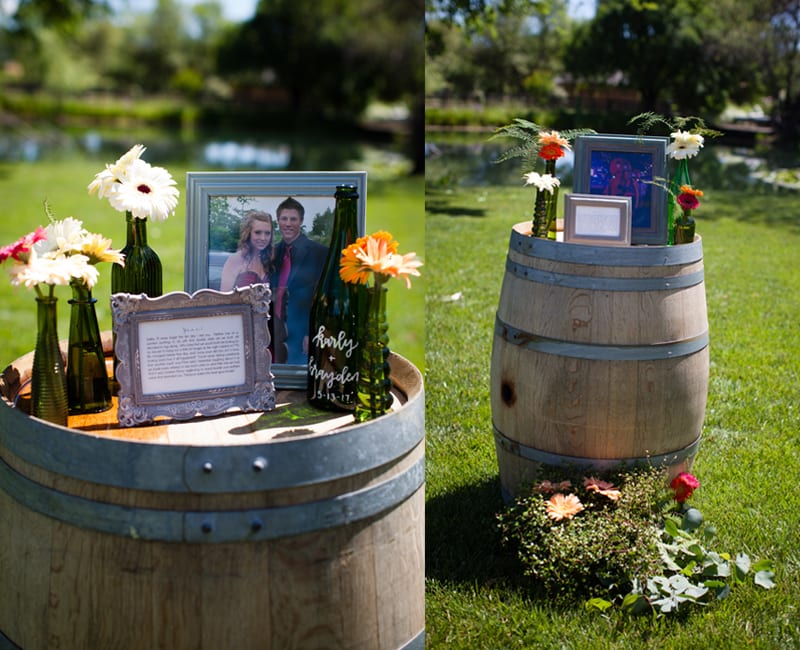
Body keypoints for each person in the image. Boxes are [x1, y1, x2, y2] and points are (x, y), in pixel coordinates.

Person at [271, 196, 328, 365]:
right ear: (278, 221)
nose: (288, 223)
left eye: (293, 219)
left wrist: (313, 332)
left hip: (303, 335)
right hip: (273, 331)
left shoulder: (320, 253)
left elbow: (325, 297)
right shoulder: (271, 254)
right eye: (284, 218)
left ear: (301, 221)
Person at [219, 210, 274, 292]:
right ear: (248, 233)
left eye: (267, 233)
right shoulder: (236, 259)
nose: (263, 238)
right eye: (257, 232)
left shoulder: (268, 260)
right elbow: (224, 298)